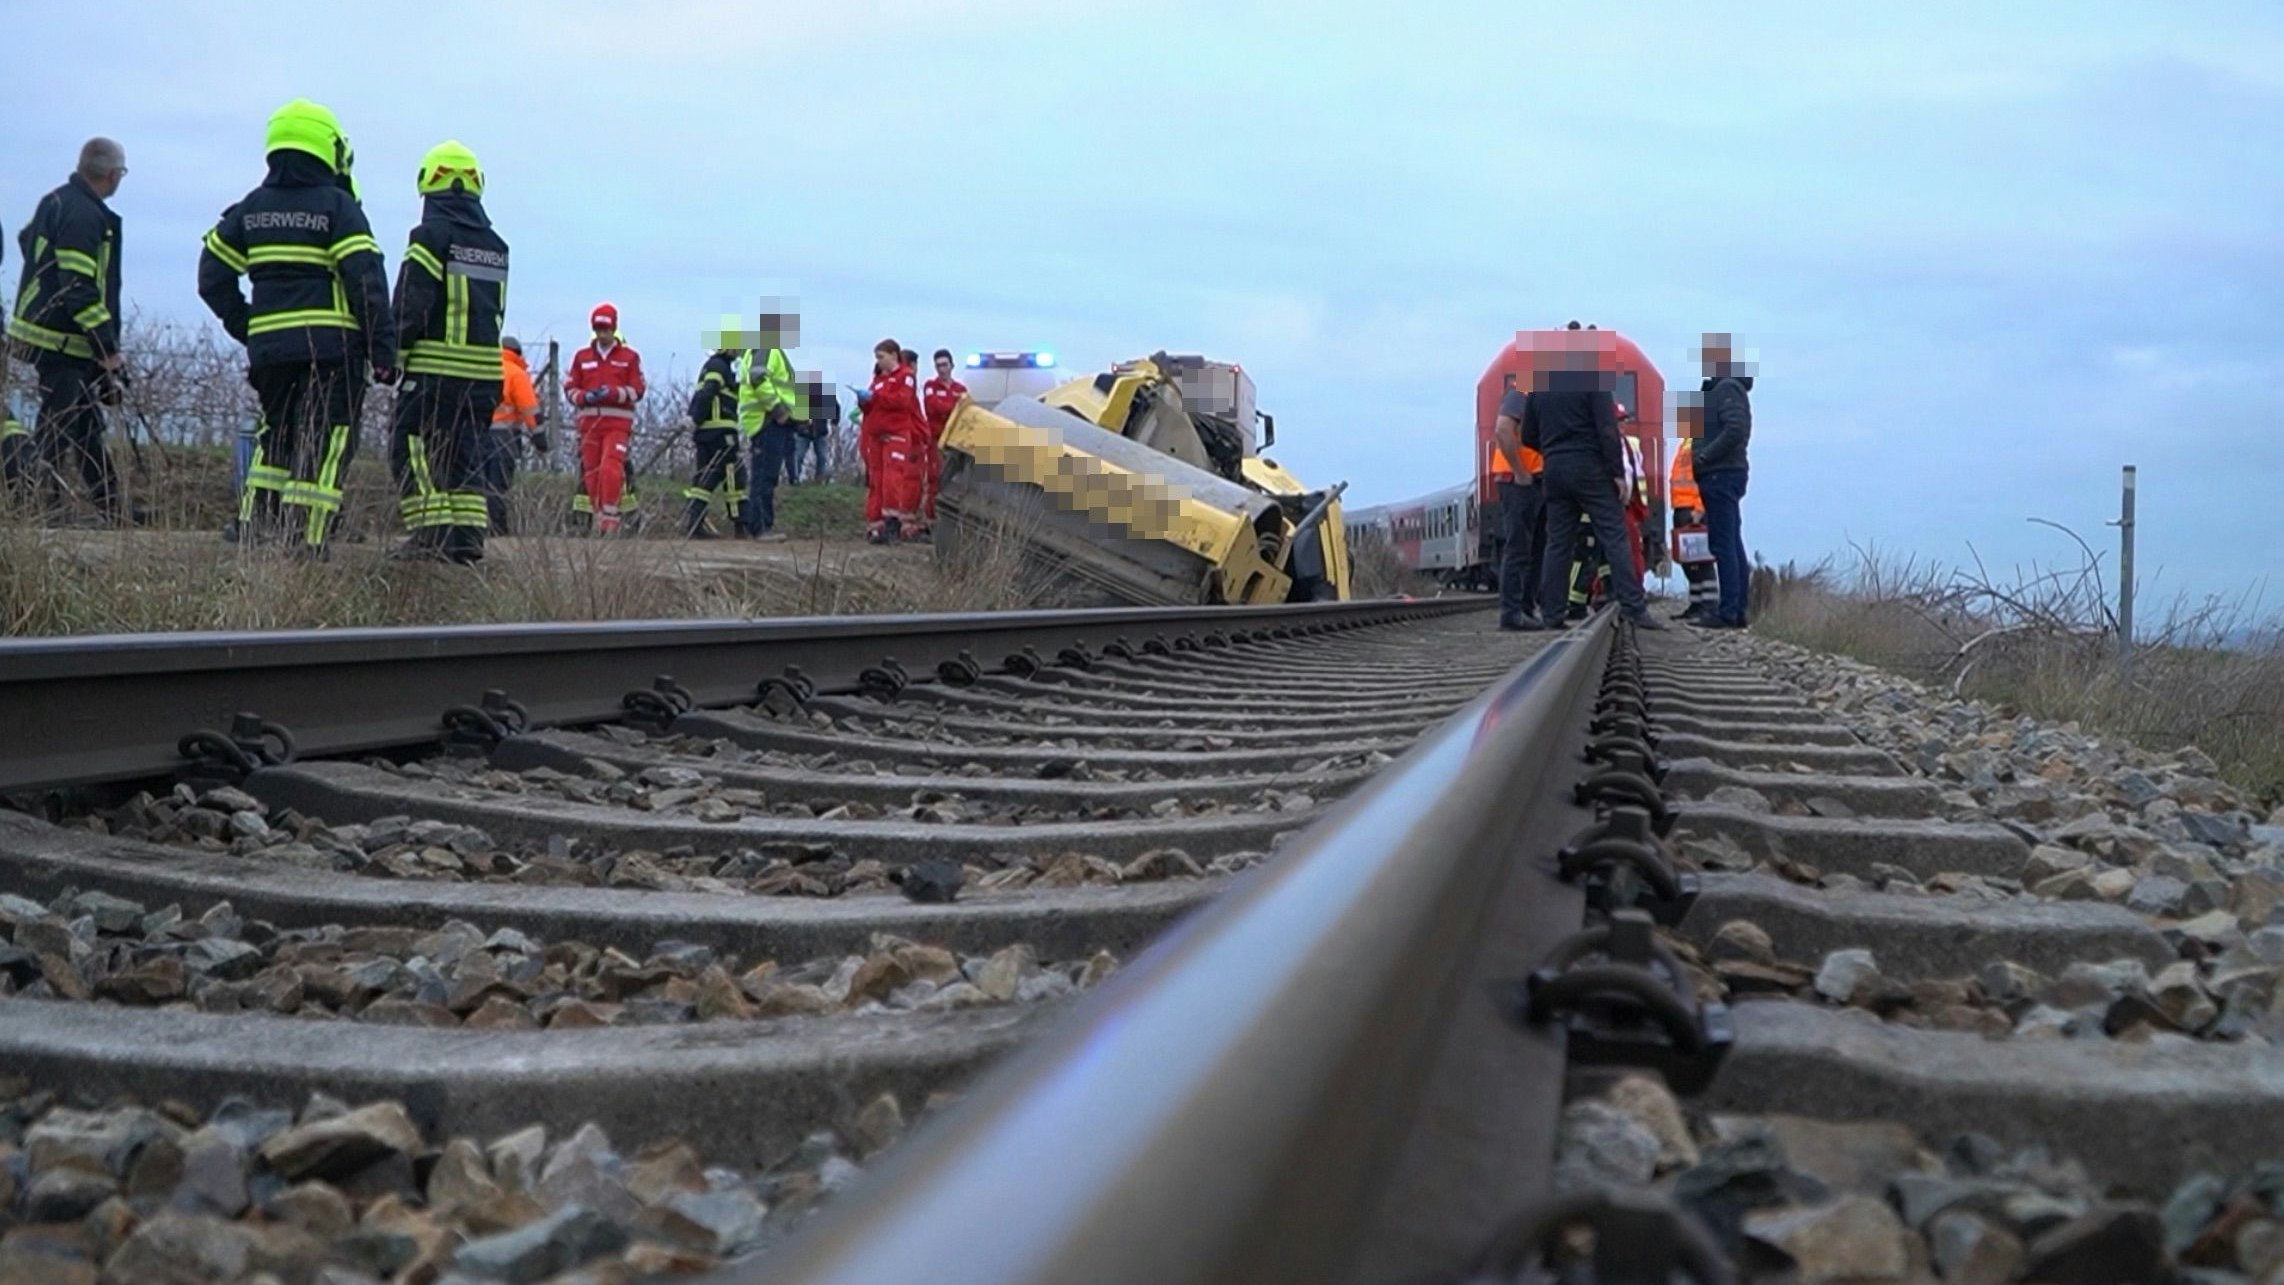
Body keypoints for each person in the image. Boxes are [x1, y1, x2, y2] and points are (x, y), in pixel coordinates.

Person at [198, 100, 396, 555]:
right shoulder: (338, 208)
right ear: (328, 148)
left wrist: (248, 325)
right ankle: (307, 540)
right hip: (331, 349)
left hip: (269, 350)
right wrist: (381, 350)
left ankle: (253, 522)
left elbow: (211, 275)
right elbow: (365, 280)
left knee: (278, 433)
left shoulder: (250, 209)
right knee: (328, 440)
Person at [389, 140, 509, 564]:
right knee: (466, 454)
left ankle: (431, 534)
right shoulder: (496, 246)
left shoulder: (428, 236)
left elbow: (411, 301)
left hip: (433, 371)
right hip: (484, 377)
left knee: (410, 447)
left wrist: (391, 354)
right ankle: (468, 539)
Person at [9, 137, 127, 523]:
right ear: (112, 175)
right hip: (61, 340)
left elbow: (29, 241)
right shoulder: (84, 215)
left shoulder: (55, 201)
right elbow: (79, 287)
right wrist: (107, 348)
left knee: (84, 421)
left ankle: (109, 506)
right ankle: (42, 506)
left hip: (47, 332)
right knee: (59, 424)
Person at [1515, 348, 1664, 630]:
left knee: (1558, 543)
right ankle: (1633, 607)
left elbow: (1527, 435)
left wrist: (1552, 449)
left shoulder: (1540, 386)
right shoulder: (1593, 381)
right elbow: (1607, 429)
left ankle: (1552, 614)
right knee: (1614, 535)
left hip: (1555, 471)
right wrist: (1618, 475)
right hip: (1591, 468)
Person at [564, 303, 643, 534]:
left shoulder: (629, 357)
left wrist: (613, 393)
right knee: (591, 470)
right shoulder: (582, 357)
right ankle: (599, 514)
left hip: (617, 424)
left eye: (606, 329)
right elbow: (570, 387)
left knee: (611, 466)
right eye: (598, 329)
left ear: (614, 328)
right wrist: (584, 397)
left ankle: (610, 516)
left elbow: (637, 390)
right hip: (588, 424)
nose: (602, 334)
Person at [1692, 333, 1753, 629]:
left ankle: (1729, 611)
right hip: (1723, 472)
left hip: (1721, 473)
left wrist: (1704, 457)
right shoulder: (1720, 389)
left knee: (1723, 543)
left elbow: (1735, 429)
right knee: (1730, 541)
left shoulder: (1727, 388)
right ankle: (1736, 609)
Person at [1486, 373, 1546, 630]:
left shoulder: (1540, 393)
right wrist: (1520, 471)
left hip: (1534, 478)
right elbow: (1502, 429)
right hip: (1518, 480)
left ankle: (1525, 608)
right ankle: (1511, 613)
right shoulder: (1523, 391)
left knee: (1535, 549)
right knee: (1519, 547)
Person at [736, 311, 801, 541]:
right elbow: (758, 379)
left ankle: (760, 525)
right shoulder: (766, 349)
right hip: (767, 421)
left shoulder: (759, 350)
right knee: (764, 476)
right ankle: (760, 526)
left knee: (765, 476)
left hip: (766, 421)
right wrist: (779, 411)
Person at [855, 338, 925, 542]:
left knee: (893, 478)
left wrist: (875, 398)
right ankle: (875, 526)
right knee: (876, 479)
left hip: (896, 434)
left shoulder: (906, 377)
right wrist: (864, 400)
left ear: (893, 355)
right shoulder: (878, 380)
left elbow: (901, 402)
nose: (878, 361)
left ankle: (892, 523)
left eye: (881, 357)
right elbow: (871, 408)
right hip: (876, 436)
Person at [681, 338, 745, 537]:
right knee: (735, 477)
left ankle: (694, 524)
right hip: (720, 433)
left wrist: (694, 419)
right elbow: (708, 392)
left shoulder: (715, 366)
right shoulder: (718, 365)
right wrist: (695, 417)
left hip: (707, 433)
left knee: (705, 479)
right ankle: (741, 526)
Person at [483, 335, 541, 535]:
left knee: (477, 483)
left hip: (477, 435)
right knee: (498, 486)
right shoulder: (517, 373)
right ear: (517, 353)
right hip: (504, 437)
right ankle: (497, 528)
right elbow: (529, 409)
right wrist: (539, 437)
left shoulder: (484, 367)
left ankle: (476, 528)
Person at [1667, 399, 1717, 621]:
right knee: (1689, 561)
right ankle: (1696, 605)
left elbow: (1703, 478)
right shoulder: (1686, 443)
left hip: (1693, 508)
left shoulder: (1701, 443)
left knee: (1702, 561)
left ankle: (1709, 605)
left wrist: (1699, 508)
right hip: (1681, 507)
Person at [920, 348, 966, 527]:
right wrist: (952, 407)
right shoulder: (930, 386)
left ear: (952, 366)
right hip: (936, 440)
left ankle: (949, 520)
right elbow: (932, 407)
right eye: (938, 365)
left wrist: (948, 408)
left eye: (945, 365)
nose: (941, 369)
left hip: (956, 441)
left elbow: (965, 411)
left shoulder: (960, 389)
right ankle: (930, 519)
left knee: (954, 479)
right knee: (934, 477)